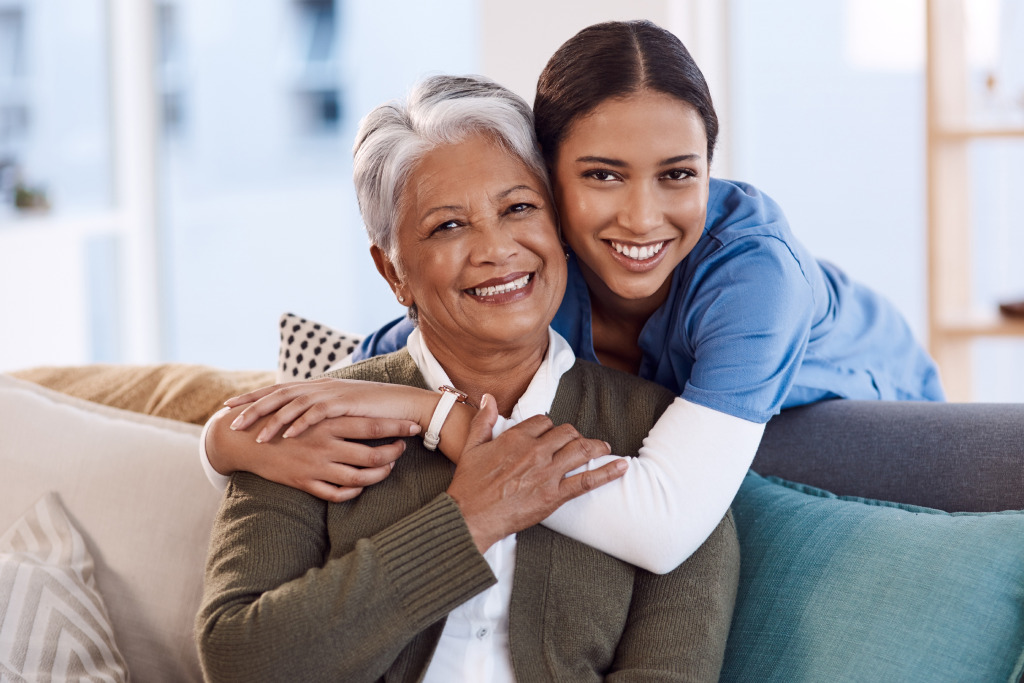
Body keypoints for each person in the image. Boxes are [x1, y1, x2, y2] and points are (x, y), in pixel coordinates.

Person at [207, 19, 943, 574]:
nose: (642, 217)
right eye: (602, 175)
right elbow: (345, 384)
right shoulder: (533, 273)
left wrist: (439, 418)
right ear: (546, 182)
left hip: (873, 427)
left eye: (678, 174)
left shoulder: (752, 274)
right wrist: (219, 443)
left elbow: (661, 529)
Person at [196, 74, 738, 682]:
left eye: (519, 209)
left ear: (559, 227)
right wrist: (468, 521)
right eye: (448, 226)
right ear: (391, 270)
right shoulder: (314, 420)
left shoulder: (664, 443)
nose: (496, 249)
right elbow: (239, 661)